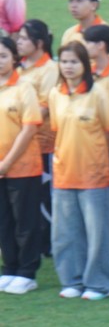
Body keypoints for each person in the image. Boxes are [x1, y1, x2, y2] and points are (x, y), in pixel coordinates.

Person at [48, 42, 109, 300]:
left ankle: (99, 284)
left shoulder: (97, 93)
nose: (68, 67)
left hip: (94, 174)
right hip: (64, 172)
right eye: (64, 61)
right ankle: (72, 280)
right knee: (66, 232)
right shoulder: (55, 94)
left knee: (97, 232)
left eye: (74, 62)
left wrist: (94, 156)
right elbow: (57, 130)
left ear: (85, 65)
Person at [0, 38, 43, 292]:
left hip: (23, 167)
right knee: (3, 221)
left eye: (3, 55)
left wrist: (6, 163)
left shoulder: (24, 87)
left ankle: (27, 271)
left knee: (24, 221)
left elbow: (29, 128)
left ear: (14, 58)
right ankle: (10, 267)